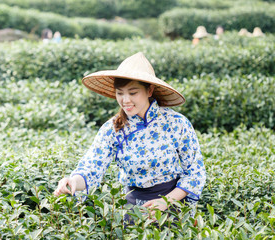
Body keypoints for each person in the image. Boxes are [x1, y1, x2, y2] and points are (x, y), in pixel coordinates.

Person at [54, 52, 206, 220]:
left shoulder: (176, 122)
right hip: (133, 210)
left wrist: (165, 202)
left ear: (149, 90)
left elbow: (194, 172)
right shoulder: (113, 129)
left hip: (172, 207)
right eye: (120, 93)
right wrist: (73, 181)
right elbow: (92, 167)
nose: (125, 100)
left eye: (133, 93)